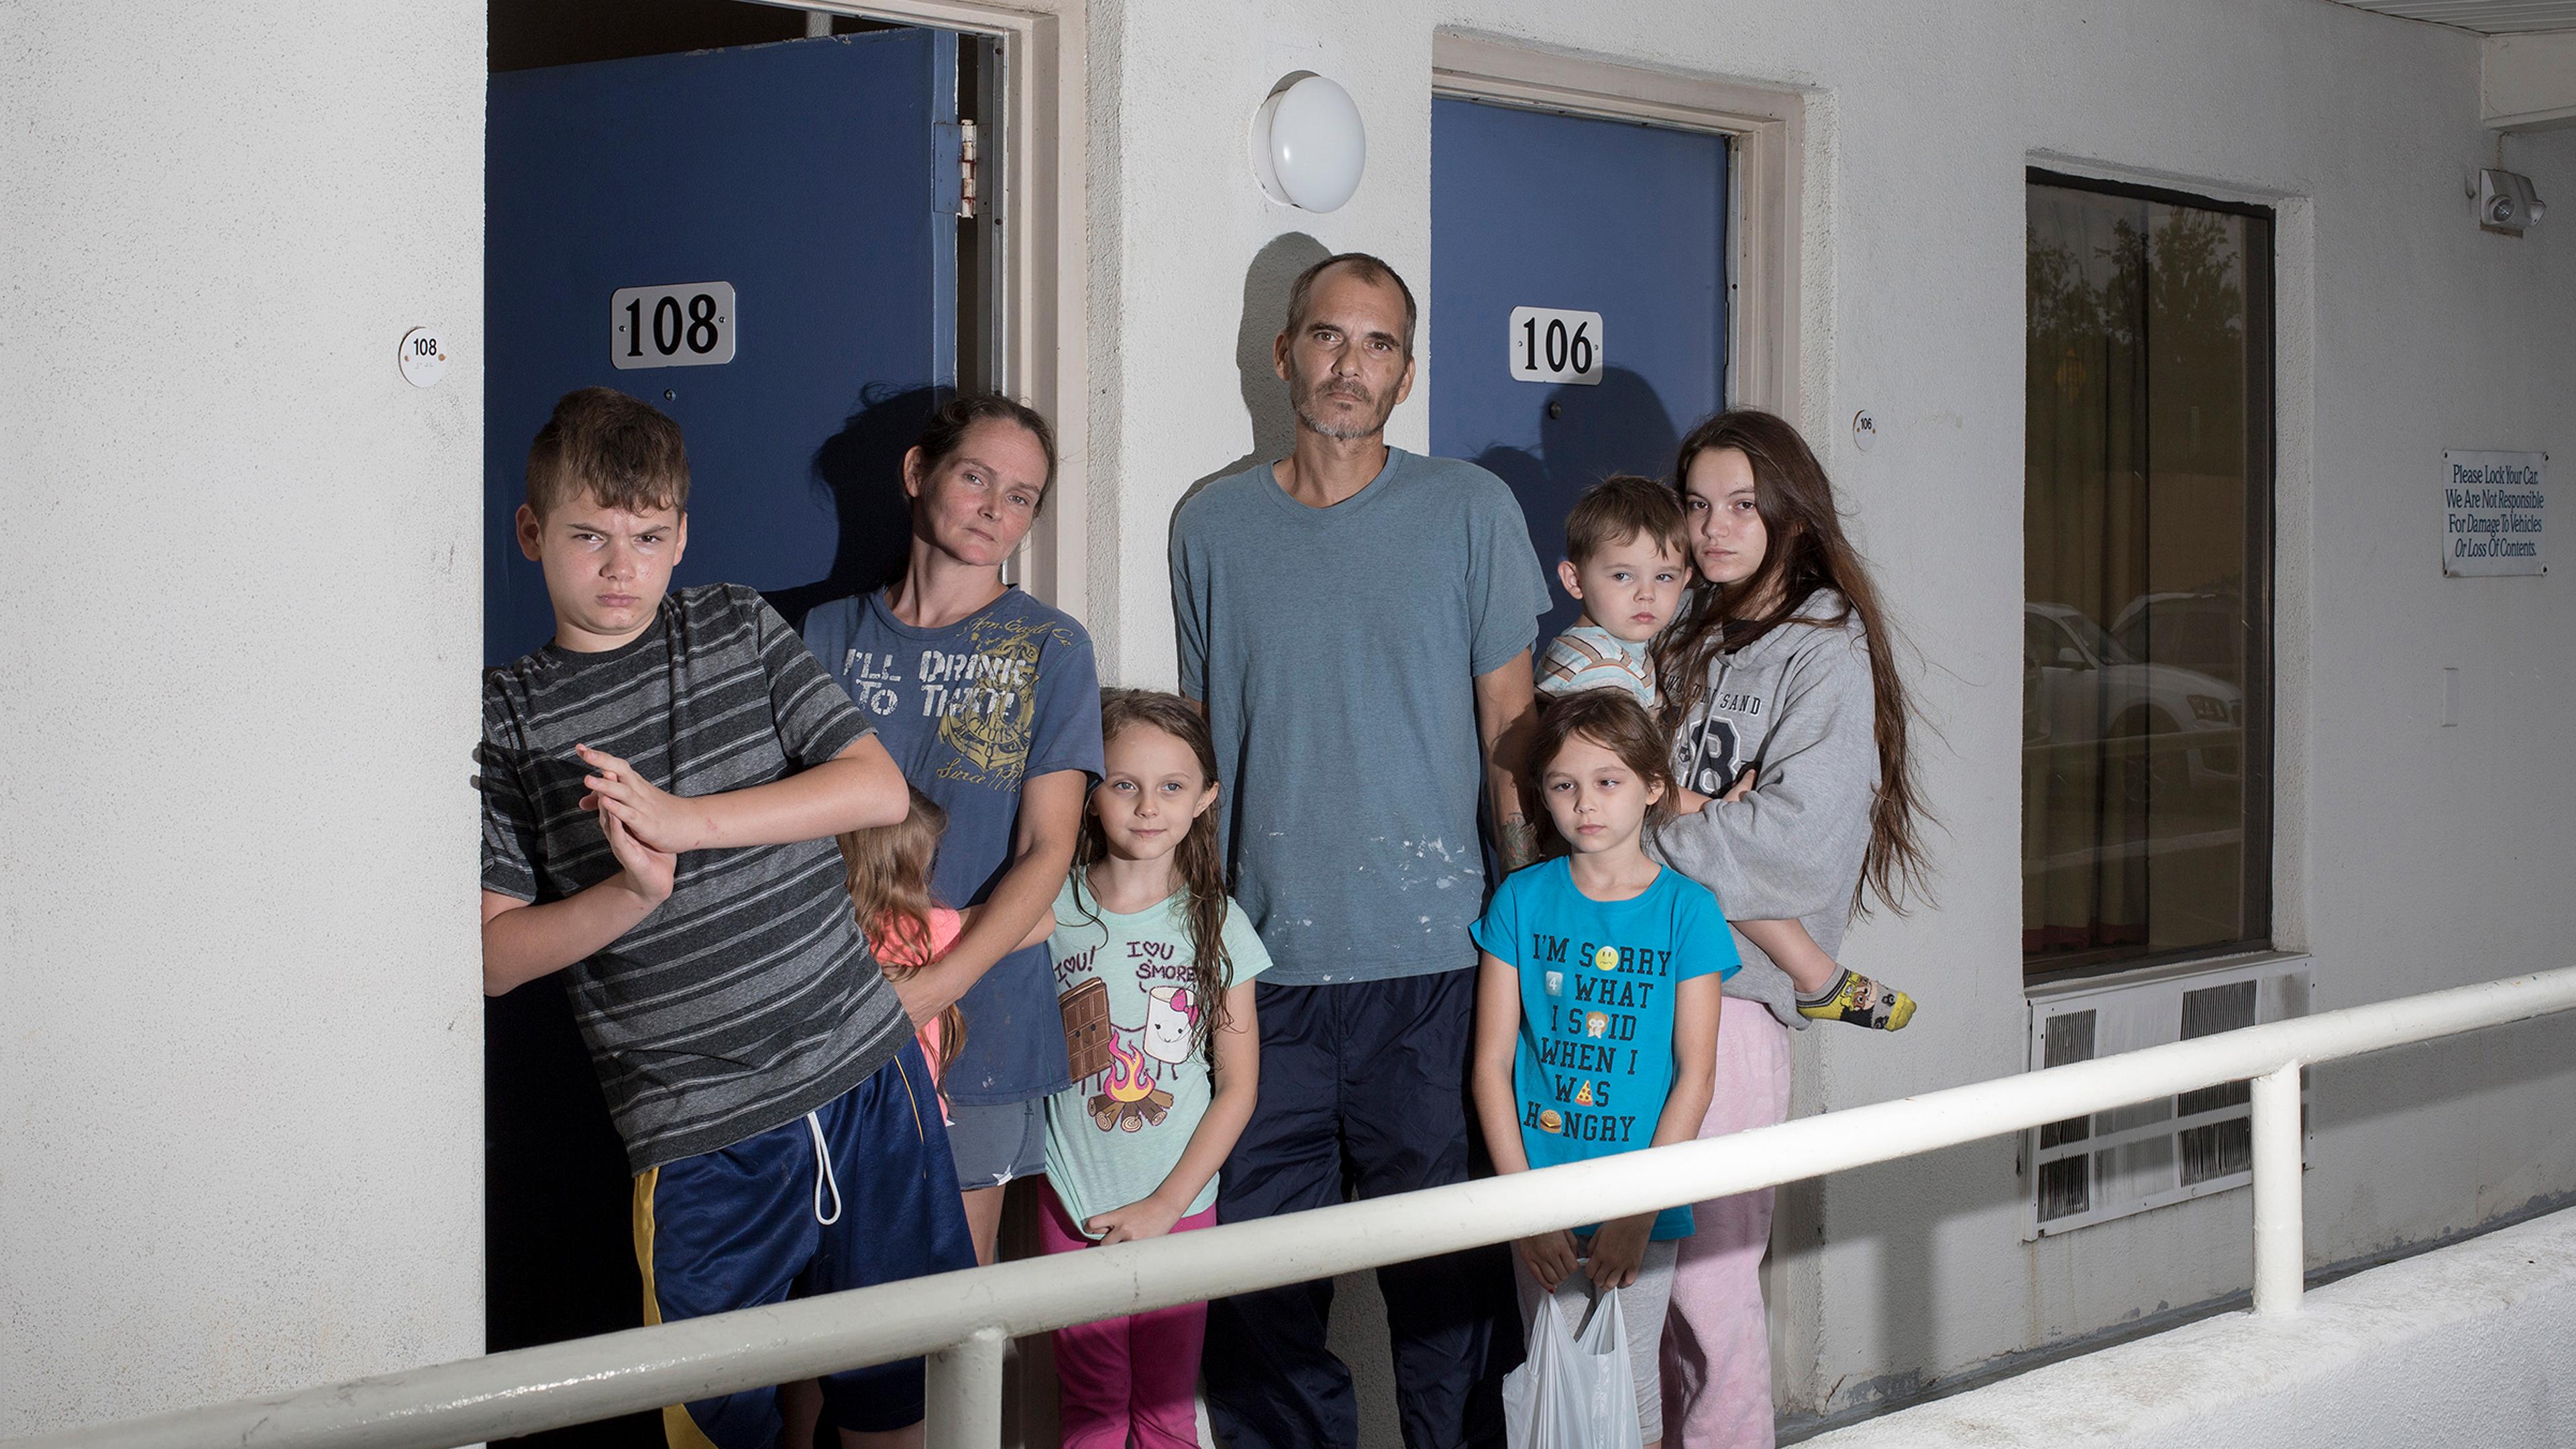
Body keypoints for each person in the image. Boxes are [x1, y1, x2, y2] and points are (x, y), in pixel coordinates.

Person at [478, 387, 973, 1449]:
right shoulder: (503, 715)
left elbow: (875, 788)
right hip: (699, 1137)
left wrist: (683, 821)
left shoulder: (734, 624)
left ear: (683, 537)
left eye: (649, 538)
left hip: (866, 1079)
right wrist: (630, 891)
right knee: (720, 1433)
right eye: (589, 537)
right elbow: (494, 960)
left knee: (900, 1409)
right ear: (531, 533)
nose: (622, 569)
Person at [1173, 252, 1548, 1449]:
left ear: (1407, 371)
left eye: (1379, 344)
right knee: (1258, 1313)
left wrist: (1531, 930)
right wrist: (1193, 947)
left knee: (1449, 1311)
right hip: (1262, 982)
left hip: (1436, 971)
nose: (1351, 364)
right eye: (1329, 337)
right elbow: (1203, 752)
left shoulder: (1469, 510)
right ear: (1286, 353)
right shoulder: (1211, 523)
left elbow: (1512, 734)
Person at [1647, 409, 1935, 1448]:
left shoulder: (1825, 650)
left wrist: (1665, 824)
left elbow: (1800, 845)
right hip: (1638, 986)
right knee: (1641, 1297)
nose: (1716, 527)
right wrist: (1698, 817)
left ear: (1789, 513)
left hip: (1731, 1009)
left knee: (1710, 1303)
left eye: (1742, 504)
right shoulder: (1684, 631)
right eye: (1697, 504)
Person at [802, 393, 1104, 1267]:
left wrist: (934, 989)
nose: (995, 511)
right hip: (836, 1011)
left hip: (981, 1022)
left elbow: (1049, 851)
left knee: (947, 1319)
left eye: (1021, 497)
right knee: (824, 1309)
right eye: (976, 478)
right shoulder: (829, 635)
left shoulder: (1052, 647)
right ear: (917, 473)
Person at [1542, 476, 1917, 1032]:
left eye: (1663, 578)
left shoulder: (1636, 644)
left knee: (1729, 860)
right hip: (1620, 890)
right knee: (1724, 853)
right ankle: (1816, 977)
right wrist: (1708, 808)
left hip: (1711, 981)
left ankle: (1816, 978)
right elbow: (1620, 781)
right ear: (1574, 579)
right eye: (1623, 577)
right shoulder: (1600, 669)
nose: (1646, 595)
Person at [1470, 690, 1733, 1449]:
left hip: (1641, 1204)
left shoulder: (1690, 910)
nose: (1585, 803)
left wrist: (1639, 1211)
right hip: (1539, 1196)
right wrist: (1529, 1210)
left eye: (1608, 781)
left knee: (1633, 1395)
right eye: (1563, 784)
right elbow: (1490, 1065)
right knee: (1557, 1387)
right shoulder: (1520, 900)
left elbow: (1696, 1075)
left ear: (1654, 786)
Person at [1036, 690, 1270, 1449]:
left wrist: (1169, 1204)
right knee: (1093, 1411)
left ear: (1205, 798)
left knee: (1167, 1413)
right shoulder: (1046, 910)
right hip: (1073, 1202)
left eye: (1171, 786)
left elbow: (1238, 1088)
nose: (1147, 806)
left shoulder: (1218, 921)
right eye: (1124, 783)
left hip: (1182, 1204)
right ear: (1090, 792)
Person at [839, 786, 969, 1122]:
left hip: (853, 1124)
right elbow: (1041, 922)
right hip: (919, 1117)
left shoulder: (834, 933)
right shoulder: (924, 930)